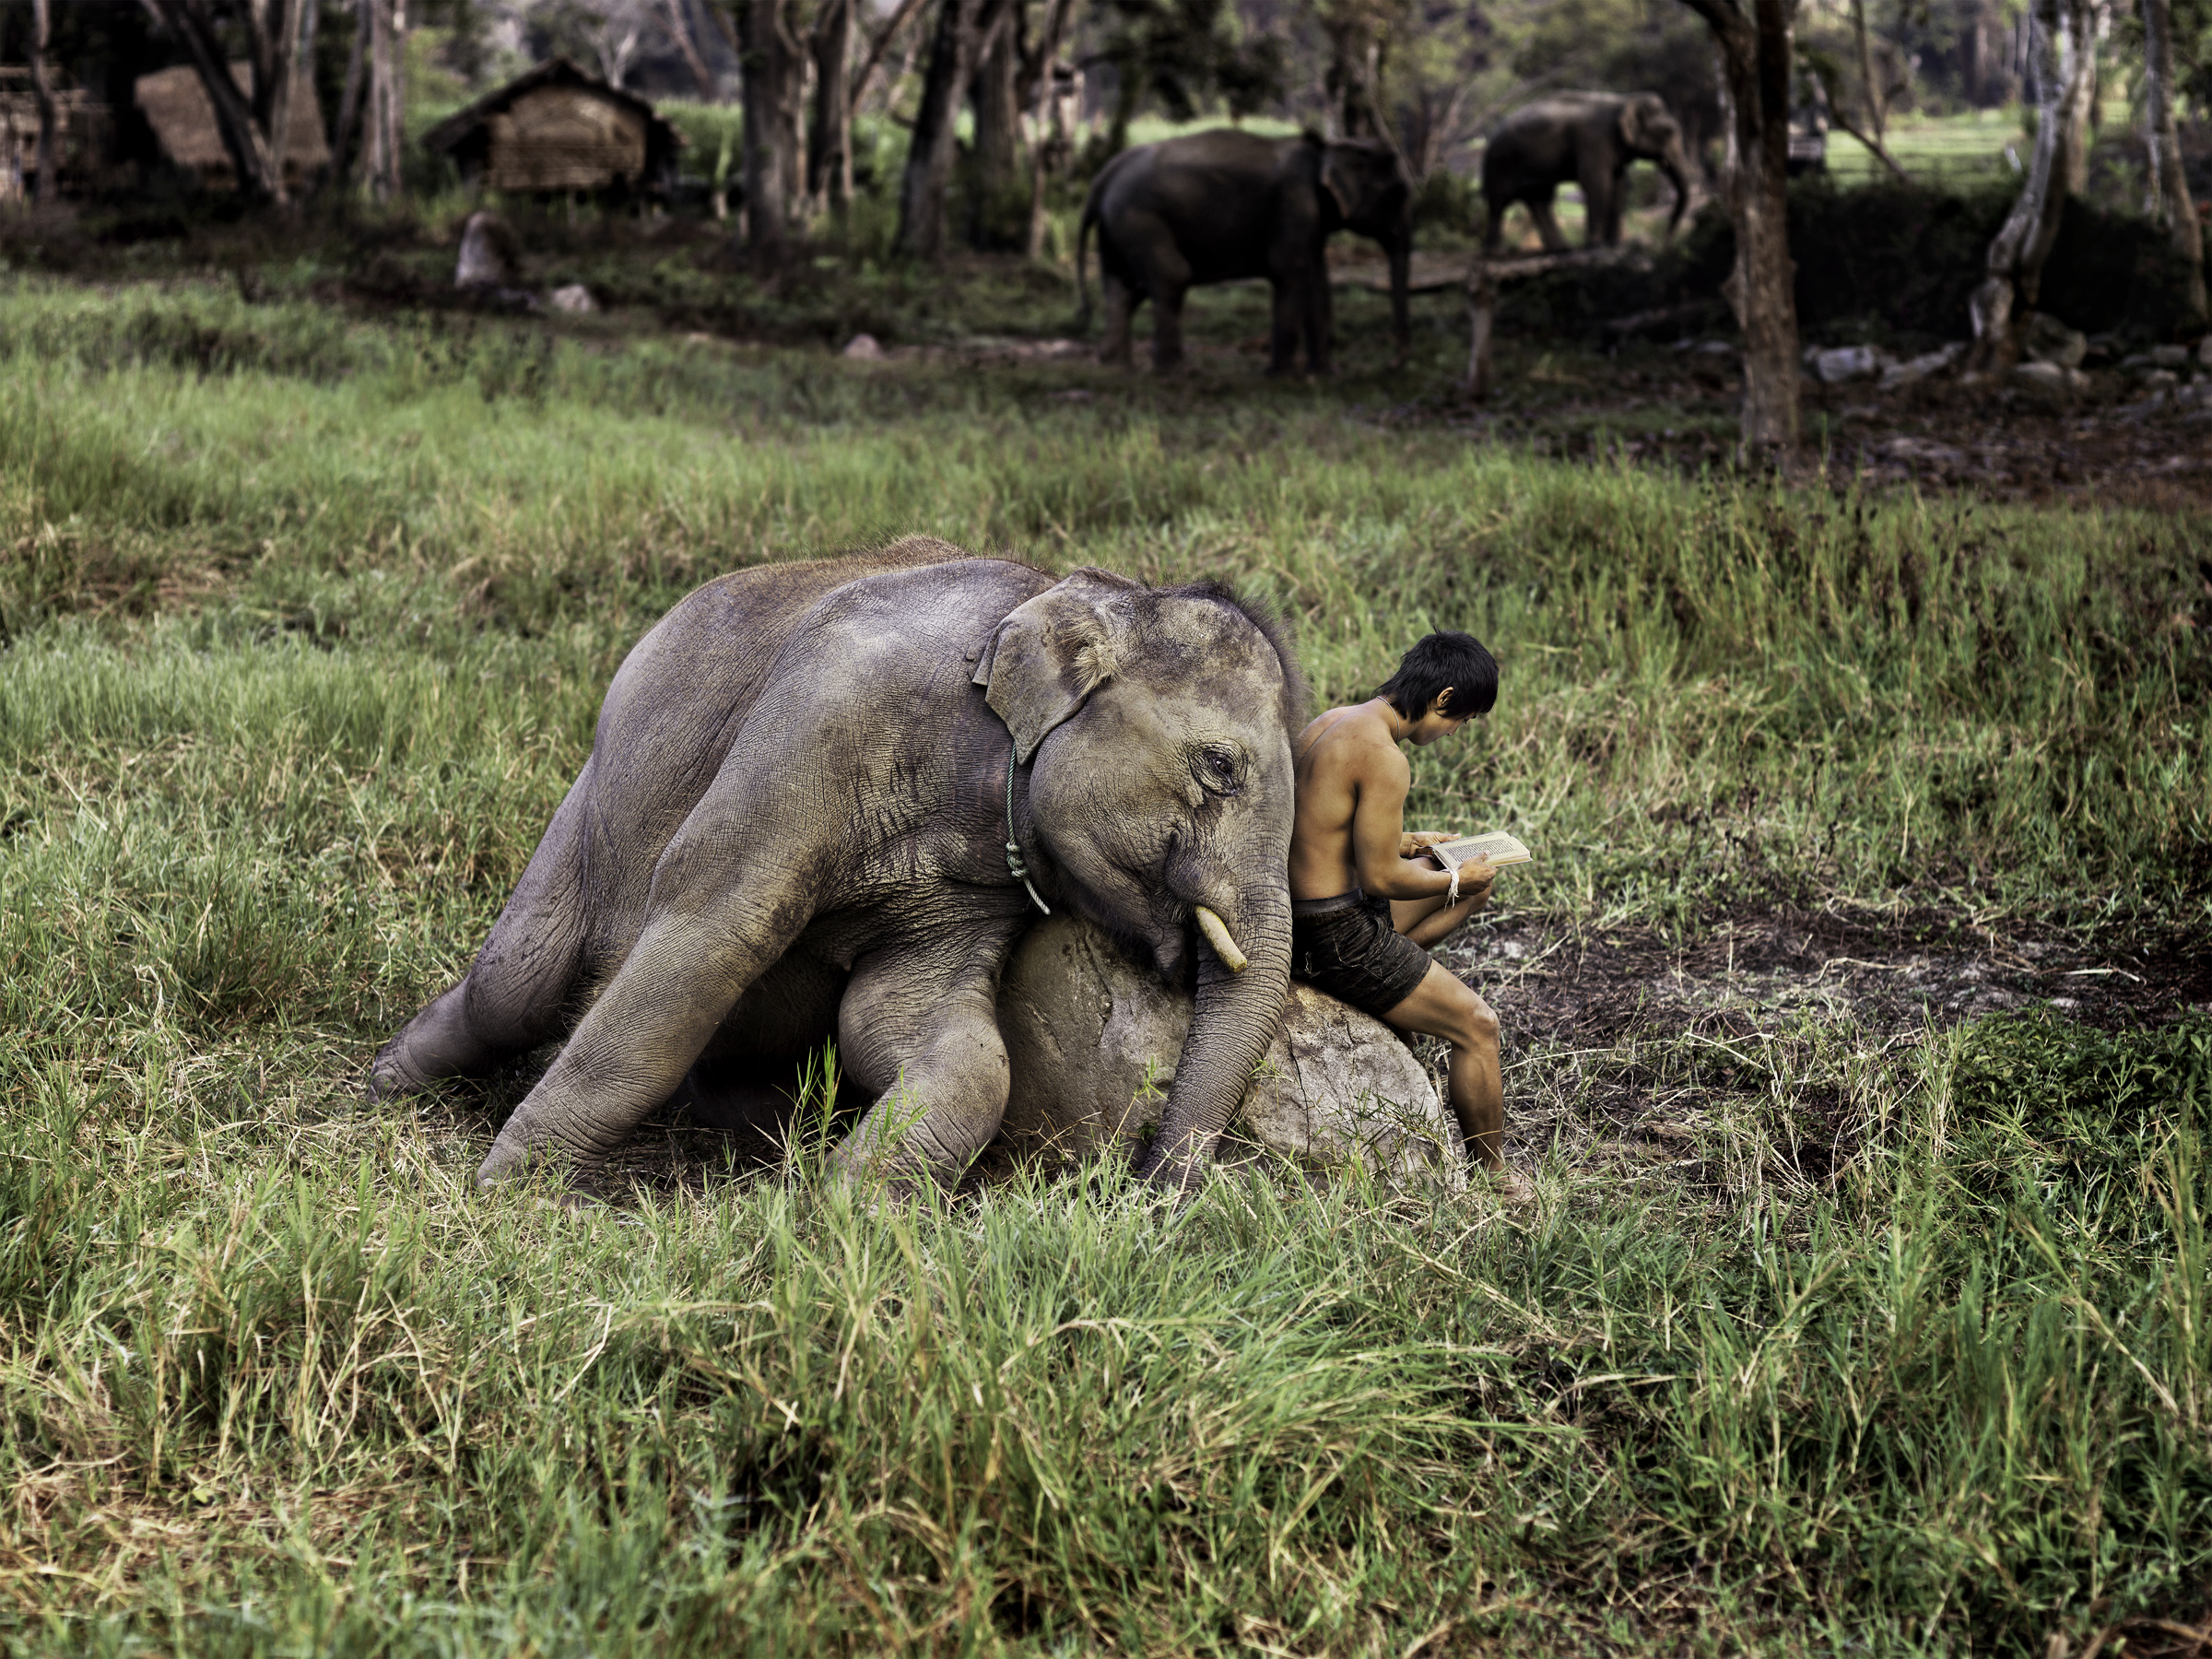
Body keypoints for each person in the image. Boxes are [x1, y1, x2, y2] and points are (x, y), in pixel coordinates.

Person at [1288, 631, 1526, 1196]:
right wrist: (1452, 874)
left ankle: (1399, 990)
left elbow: (1322, 832)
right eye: (1460, 722)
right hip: (1336, 934)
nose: (1454, 735)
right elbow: (1380, 879)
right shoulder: (1385, 758)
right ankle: (1497, 1182)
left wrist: (1413, 842)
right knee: (1479, 1027)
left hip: (1300, 914)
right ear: (1442, 699)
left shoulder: (1333, 722)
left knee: (1475, 890)